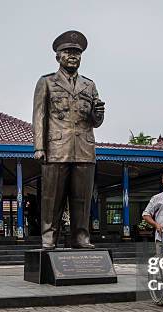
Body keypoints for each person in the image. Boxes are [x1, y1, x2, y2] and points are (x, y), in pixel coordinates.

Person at [32, 30, 105, 250]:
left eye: (77, 53)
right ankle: (49, 237)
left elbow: (95, 122)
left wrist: (98, 113)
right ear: (58, 57)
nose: (73, 56)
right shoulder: (46, 82)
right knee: (52, 198)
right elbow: (39, 116)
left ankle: (80, 237)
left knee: (82, 198)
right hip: (56, 147)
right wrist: (39, 147)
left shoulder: (89, 85)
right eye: (67, 52)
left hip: (84, 147)